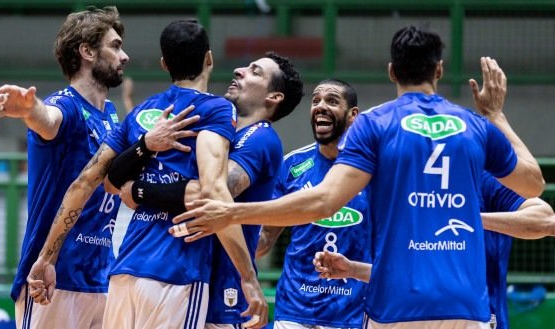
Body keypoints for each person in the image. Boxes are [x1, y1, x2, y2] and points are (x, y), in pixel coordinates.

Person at [171, 26, 545, 329]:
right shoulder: (473, 127)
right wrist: (496, 115)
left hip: (396, 304)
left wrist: (233, 213)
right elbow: (533, 184)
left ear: (392, 72)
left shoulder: (377, 125)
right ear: (440, 70)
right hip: (466, 304)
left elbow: (323, 201)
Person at [25, 19, 268, 329]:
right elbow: (213, 191)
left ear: (164, 64)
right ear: (209, 58)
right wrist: (248, 278)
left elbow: (95, 182)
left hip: (125, 270)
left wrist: (46, 257)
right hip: (177, 271)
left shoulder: (141, 111)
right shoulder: (217, 109)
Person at [115, 52, 304, 329]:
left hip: (225, 300)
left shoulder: (260, 137)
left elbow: (211, 194)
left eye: (255, 71)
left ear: (273, 97)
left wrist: (138, 191)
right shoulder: (219, 133)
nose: (239, 70)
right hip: (192, 282)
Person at [0, 6, 129, 329]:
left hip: (99, 278)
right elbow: (47, 119)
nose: (125, 56)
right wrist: (29, 110)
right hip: (51, 281)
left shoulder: (110, 114)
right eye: (116, 45)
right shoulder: (64, 105)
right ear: (87, 51)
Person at [313, 172, 555, 329]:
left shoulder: (483, 180)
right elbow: (408, 275)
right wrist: (354, 269)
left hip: (478, 318)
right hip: (409, 318)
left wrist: (465, 218)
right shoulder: (406, 192)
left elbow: (546, 221)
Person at [256, 79, 369, 329]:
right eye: (316, 100)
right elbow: (265, 238)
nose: (320, 106)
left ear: (353, 115)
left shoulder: (373, 171)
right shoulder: (292, 166)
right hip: (294, 310)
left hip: (352, 313)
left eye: (331, 100)